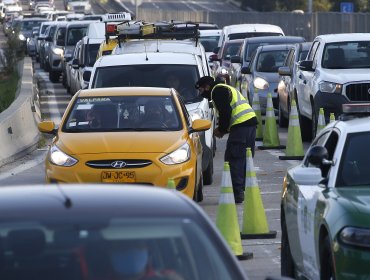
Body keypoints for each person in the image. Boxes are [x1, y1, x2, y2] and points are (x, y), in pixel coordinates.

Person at [195, 76, 257, 204]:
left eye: (201, 90)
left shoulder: (217, 91)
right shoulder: (225, 88)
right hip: (249, 124)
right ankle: (242, 189)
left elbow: (226, 112)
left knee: (233, 158)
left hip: (241, 126)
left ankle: (237, 193)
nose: (202, 94)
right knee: (245, 158)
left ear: (207, 87)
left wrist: (221, 130)